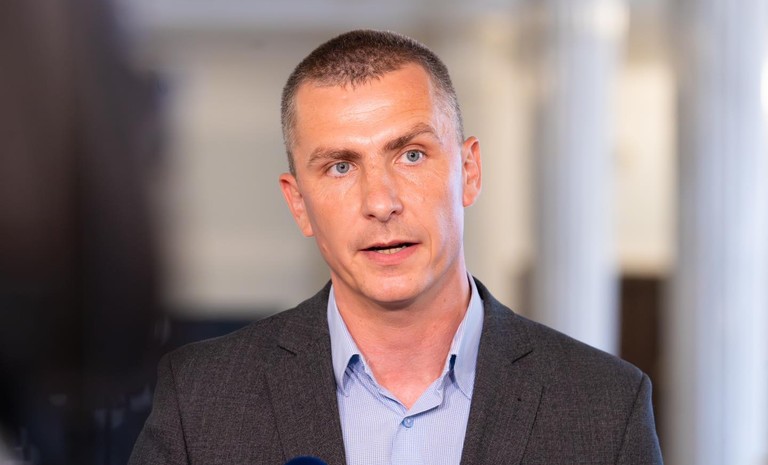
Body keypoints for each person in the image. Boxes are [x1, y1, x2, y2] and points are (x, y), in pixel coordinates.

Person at [129, 30, 663, 465]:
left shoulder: (604, 405)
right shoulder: (202, 399)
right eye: (341, 166)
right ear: (298, 204)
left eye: (410, 155)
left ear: (469, 171)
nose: (380, 203)